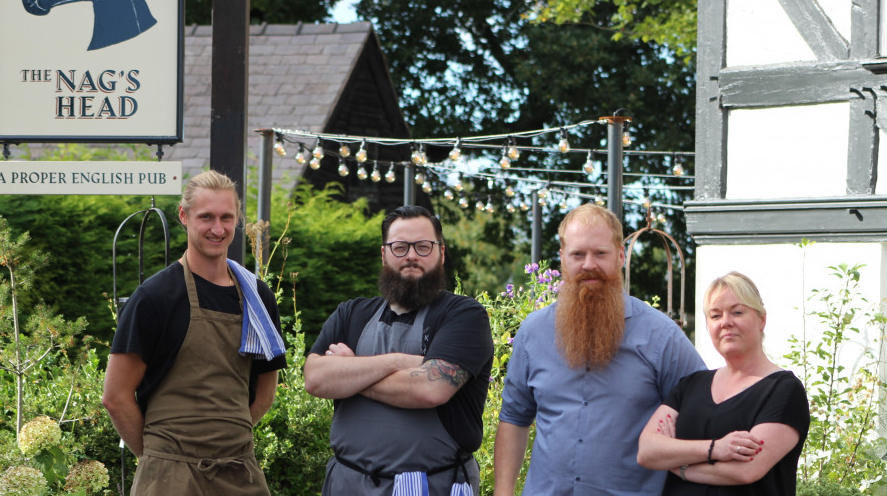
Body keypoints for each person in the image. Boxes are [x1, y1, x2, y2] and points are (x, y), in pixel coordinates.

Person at [494, 203, 706, 495]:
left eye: (600, 253)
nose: (589, 264)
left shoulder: (661, 336)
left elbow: (702, 410)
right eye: (578, 254)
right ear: (562, 259)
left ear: (620, 255)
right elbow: (514, 418)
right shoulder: (533, 332)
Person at [102, 170, 287, 495]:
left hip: (239, 475)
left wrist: (228, 438)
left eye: (227, 218)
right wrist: (158, 457)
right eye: (207, 217)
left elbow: (266, 389)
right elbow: (115, 397)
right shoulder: (155, 298)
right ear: (184, 216)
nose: (218, 229)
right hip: (169, 478)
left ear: (237, 219)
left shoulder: (257, 297)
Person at [304, 205, 494, 495]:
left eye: (423, 246)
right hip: (347, 484)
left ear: (441, 253)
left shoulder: (464, 315)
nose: (411, 255)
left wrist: (351, 373)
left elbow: (431, 390)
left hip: (431, 485)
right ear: (384, 255)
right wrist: (398, 361)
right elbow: (315, 379)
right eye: (400, 247)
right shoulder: (351, 313)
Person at [636, 272, 809, 494]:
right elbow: (647, 451)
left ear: (761, 320)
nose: (726, 322)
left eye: (737, 312)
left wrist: (678, 466)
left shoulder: (783, 390)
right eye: (715, 316)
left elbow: (747, 470)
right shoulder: (690, 386)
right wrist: (716, 449)